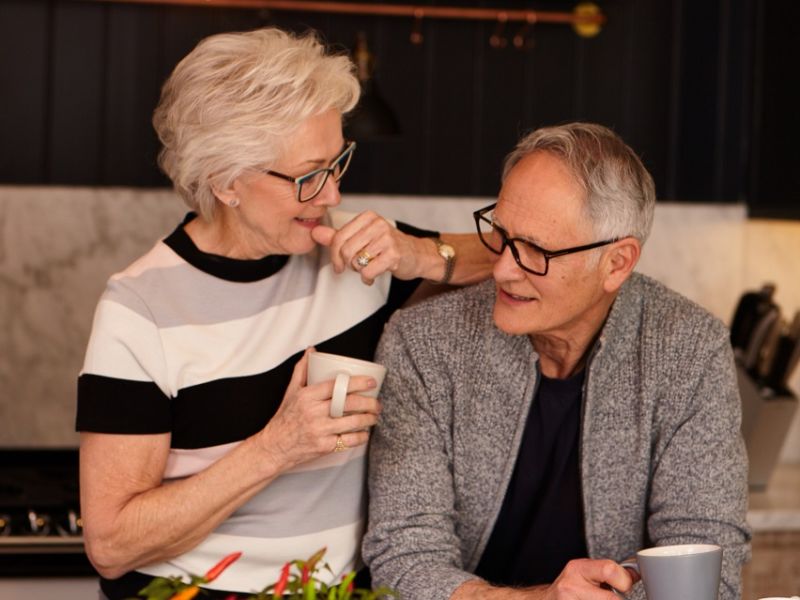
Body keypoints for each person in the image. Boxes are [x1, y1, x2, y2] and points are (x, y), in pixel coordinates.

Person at [75, 28, 491, 599]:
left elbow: (511, 258)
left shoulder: (355, 254)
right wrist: (278, 447)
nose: (331, 196)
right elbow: (112, 543)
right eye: (308, 175)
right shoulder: (140, 310)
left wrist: (418, 253)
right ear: (225, 180)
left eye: (337, 162)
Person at [363, 122, 751, 600]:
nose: (503, 268)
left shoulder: (688, 349)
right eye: (501, 235)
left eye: (536, 251)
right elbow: (402, 558)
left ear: (617, 263)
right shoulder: (424, 343)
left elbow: (707, 563)